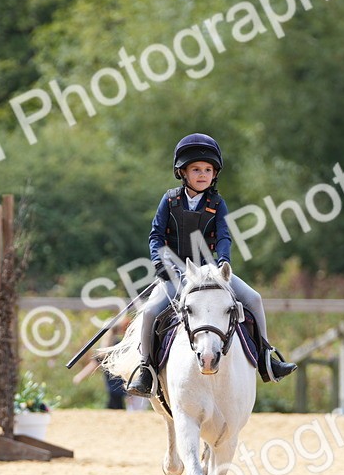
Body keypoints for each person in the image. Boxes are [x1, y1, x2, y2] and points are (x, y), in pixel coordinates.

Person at [127, 133, 296, 396]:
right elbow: (156, 236)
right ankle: (146, 369)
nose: (203, 174)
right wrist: (160, 263)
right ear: (182, 172)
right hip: (175, 273)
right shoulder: (169, 201)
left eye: (208, 170)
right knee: (150, 312)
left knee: (254, 298)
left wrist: (223, 262)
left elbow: (224, 236)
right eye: (196, 169)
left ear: (214, 174)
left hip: (211, 273)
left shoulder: (218, 204)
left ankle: (266, 358)